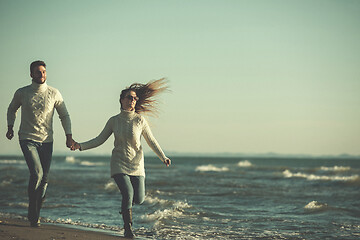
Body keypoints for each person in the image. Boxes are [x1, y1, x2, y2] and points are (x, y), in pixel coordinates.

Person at [71, 78, 171, 238]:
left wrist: (163, 157)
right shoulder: (114, 121)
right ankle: (128, 228)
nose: (133, 100)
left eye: (135, 98)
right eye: (130, 97)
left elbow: (151, 141)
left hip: (137, 165)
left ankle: (125, 209)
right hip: (118, 164)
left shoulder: (140, 120)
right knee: (128, 193)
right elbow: (99, 139)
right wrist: (80, 146)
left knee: (139, 199)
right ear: (122, 100)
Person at [6, 60, 75, 227]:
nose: (41, 74)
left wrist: (69, 136)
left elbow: (64, 115)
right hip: (27, 138)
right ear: (31, 74)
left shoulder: (54, 93)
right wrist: (10, 127)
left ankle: (36, 210)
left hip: (47, 141)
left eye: (43, 71)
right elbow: (11, 109)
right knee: (37, 173)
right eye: (38, 72)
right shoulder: (22, 93)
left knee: (44, 179)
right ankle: (33, 211)